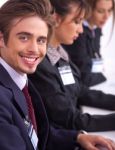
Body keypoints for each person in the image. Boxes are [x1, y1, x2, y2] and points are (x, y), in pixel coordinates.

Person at [1, 0, 115, 150]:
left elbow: (35, 133)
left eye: (41, 40)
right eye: (24, 37)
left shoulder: (20, 79)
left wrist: (77, 137)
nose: (34, 49)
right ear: (1, 39)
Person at [29, 0, 115, 134]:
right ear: (56, 19)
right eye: (77, 21)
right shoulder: (41, 66)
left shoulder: (60, 53)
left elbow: (79, 90)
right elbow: (68, 118)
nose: (81, 29)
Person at [63, 0, 115, 86]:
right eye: (100, 11)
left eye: (109, 10)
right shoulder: (77, 34)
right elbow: (85, 75)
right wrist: (103, 76)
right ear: (88, 8)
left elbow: (96, 58)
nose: (106, 16)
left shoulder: (97, 27)